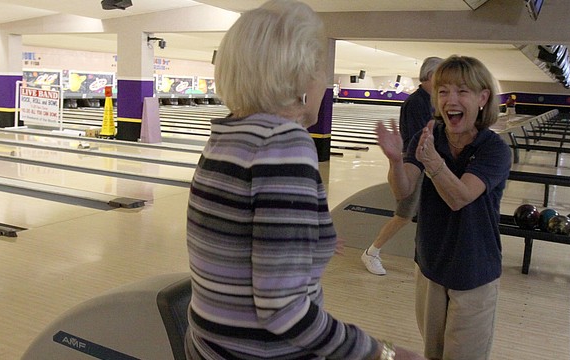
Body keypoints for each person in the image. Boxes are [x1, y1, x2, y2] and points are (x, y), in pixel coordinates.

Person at [184, 1, 422, 359]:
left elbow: (240, 235)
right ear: (300, 77)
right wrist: (382, 353)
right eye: (321, 68)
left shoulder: (227, 134)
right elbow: (283, 312)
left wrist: (311, 238)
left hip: (210, 345)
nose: (325, 81)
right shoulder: (284, 144)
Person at [375, 55, 511, 359]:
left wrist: (432, 161)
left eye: (462, 91)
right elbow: (403, 190)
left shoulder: (494, 149)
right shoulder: (428, 137)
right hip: (430, 264)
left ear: (482, 98)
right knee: (433, 352)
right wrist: (396, 161)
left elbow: (460, 197)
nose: (451, 99)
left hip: (474, 270)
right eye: (443, 91)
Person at [361, 56, 443, 276]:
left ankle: (423, 259)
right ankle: (371, 252)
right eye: (441, 74)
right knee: (405, 213)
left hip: (427, 161)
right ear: (430, 75)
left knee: (427, 213)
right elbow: (418, 139)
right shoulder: (417, 101)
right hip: (413, 163)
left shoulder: (432, 99)